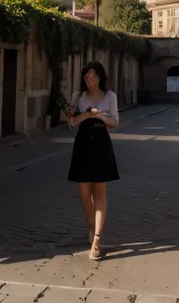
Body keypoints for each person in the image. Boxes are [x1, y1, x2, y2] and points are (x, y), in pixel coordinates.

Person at [64, 61, 120, 261]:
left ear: (100, 77)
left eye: (93, 76)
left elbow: (115, 122)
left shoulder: (110, 96)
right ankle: (91, 223)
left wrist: (102, 118)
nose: (89, 80)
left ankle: (97, 239)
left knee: (100, 193)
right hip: (83, 143)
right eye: (86, 76)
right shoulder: (78, 96)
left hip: (101, 143)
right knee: (84, 193)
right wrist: (79, 114)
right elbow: (72, 123)